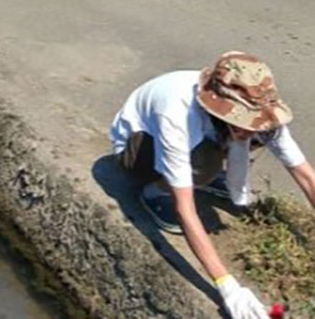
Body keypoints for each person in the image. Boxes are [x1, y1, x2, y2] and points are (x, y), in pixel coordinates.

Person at [111, 51, 315, 319]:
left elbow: (304, 174)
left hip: (200, 136)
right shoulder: (177, 113)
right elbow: (186, 210)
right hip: (137, 146)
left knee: (260, 134)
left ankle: (205, 174)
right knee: (205, 163)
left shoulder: (258, 104)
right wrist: (227, 286)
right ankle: (155, 193)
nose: (252, 128)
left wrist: (250, 131)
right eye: (242, 120)